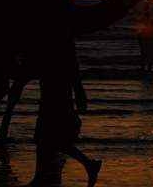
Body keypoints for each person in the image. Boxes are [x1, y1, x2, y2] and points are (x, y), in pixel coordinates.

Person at [30, 20, 101, 187]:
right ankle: (87, 165)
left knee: (45, 137)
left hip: (57, 91)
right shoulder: (54, 34)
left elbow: (72, 65)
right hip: (54, 89)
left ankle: (40, 177)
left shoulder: (58, 36)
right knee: (50, 138)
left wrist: (79, 90)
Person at [137, 2, 153, 71]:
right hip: (150, 45)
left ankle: (144, 70)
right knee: (149, 59)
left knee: (144, 58)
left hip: (146, 45)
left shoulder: (146, 29)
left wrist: (140, 44)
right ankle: (148, 70)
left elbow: (139, 37)